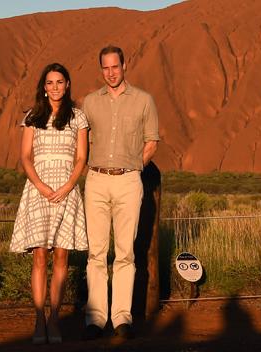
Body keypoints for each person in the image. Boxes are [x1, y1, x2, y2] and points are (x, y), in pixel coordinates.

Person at [81, 46, 159, 340]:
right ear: (100, 69)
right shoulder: (90, 102)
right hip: (97, 179)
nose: (111, 73)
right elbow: (81, 141)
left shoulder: (143, 100)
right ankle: (96, 318)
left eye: (115, 67)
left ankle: (122, 318)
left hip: (128, 181)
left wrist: (133, 167)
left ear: (125, 65)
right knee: (96, 253)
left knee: (125, 253)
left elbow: (152, 140)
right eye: (105, 68)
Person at [9, 63, 89, 345]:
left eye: (59, 82)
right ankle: (39, 320)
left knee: (61, 258)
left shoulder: (78, 118)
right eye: (49, 83)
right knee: (40, 256)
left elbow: (81, 158)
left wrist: (68, 186)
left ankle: (54, 320)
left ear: (67, 84)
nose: (54, 87)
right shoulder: (33, 117)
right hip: (38, 191)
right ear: (44, 87)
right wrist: (41, 186)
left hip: (67, 191)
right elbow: (25, 157)